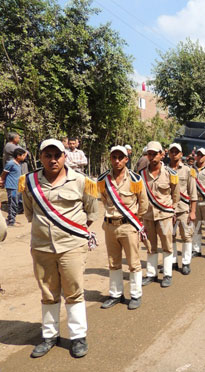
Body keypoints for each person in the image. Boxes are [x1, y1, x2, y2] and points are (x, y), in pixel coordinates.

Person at [20, 138, 98, 358]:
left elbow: (91, 213)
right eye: (48, 155)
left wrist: (71, 233)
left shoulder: (82, 181)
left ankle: (78, 337)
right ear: (41, 157)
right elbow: (29, 213)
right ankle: (49, 336)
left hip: (71, 247)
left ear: (65, 156)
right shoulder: (30, 182)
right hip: (42, 247)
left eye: (57, 155)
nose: (53, 160)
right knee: (48, 293)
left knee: (74, 292)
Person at [98, 146, 149, 310]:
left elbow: (143, 203)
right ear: (110, 158)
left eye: (121, 157)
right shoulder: (103, 179)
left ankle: (135, 294)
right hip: (110, 226)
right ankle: (115, 294)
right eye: (114, 157)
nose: (117, 160)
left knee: (134, 263)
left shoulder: (135, 179)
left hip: (129, 226)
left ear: (127, 159)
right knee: (113, 262)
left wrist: (136, 222)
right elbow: (104, 199)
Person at [140, 141, 179, 288]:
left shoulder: (170, 174)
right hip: (148, 215)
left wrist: (173, 210)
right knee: (150, 245)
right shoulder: (141, 174)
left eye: (155, 154)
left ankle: (167, 274)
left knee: (167, 245)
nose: (152, 157)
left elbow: (176, 194)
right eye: (149, 154)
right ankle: (151, 273)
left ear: (162, 155)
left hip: (165, 215)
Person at [168, 143, 197, 275]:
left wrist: (192, 211)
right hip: (168, 210)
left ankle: (186, 262)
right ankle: (173, 262)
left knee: (186, 237)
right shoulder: (164, 170)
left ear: (181, 154)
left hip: (183, 209)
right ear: (169, 154)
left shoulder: (187, 171)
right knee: (171, 237)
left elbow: (193, 193)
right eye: (172, 151)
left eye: (176, 152)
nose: (174, 154)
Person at [1, 148, 27, 226]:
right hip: (11, 186)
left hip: (16, 186)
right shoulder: (11, 163)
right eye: (23, 155)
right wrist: (2, 182)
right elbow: (4, 174)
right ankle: (11, 221)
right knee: (12, 203)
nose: (24, 157)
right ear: (18, 156)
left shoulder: (18, 164)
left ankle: (12, 219)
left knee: (15, 203)